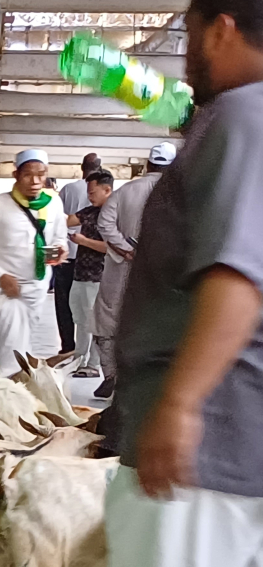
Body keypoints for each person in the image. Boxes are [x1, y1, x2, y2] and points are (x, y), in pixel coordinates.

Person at [24, 0, 263, 567]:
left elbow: (238, 278)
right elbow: (181, 114)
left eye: (194, 38)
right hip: (242, 431)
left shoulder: (243, 120)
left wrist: (180, 407)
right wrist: (107, 69)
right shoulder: (231, 121)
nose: (187, 60)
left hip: (205, 432)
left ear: (224, 30)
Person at [0, 149, 68, 375]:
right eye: (27, 175)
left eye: (40, 174)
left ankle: (14, 384)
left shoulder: (53, 204)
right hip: (3, 288)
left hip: (37, 285)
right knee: (9, 344)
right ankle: (4, 388)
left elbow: (58, 237)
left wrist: (60, 250)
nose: (35, 181)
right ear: (15, 175)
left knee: (23, 342)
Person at [93, 141, 176, 399]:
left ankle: (111, 374)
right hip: (161, 272)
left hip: (121, 266)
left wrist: (124, 248)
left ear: (148, 164)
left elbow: (104, 223)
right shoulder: (181, 195)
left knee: (107, 319)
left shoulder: (126, 190)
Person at [64, 169, 114, 378]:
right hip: (81, 273)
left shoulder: (114, 214)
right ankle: (79, 357)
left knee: (94, 321)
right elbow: (68, 220)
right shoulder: (91, 211)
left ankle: (93, 364)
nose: (89, 196)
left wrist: (83, 241)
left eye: (93, 193)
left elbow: (112, 246)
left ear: (107, 190)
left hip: (98, 276)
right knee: (80, 318)